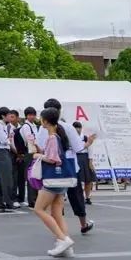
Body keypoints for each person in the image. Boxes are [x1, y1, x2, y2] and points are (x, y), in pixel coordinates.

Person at [39, 99, 94, 235]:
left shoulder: (43, 128)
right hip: (70, 167)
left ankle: (60, 231)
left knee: (55, 202)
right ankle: (83, 223)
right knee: (76, 197)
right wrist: (88, 143)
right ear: (59, 111)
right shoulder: (68, 127)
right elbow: (78, 147)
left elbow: (41, 147)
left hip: (53, 169)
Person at [33, 107, 76, 257]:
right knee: (57, 212)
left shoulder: (52, 137)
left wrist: (38, 155)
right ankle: (65, 244)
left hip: (53, 179)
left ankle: (63, 239)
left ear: (45, 121)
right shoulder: (58, 136)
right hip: (62, 180)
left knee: (38, 209)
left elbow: (52, 159)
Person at [0, 107, 16, 211]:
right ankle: (8, 201)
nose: (10, 117)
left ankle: (0, 202)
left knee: (0, 179)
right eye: (8, 115)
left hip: (3, 152)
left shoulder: (2, 125)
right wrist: (9, 138)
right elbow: (4, 140)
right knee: (6, 178)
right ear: (3, 116)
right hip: (2, 152)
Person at [72, 122, 97, 204]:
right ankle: (77, 197)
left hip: (85, 158)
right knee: (77, 180)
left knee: (88, 179)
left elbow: (90, 149)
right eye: (76, 128)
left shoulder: (85, 137)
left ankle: (87, 197)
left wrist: (90, 161)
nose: (78, 129)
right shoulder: (71, 138)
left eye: (79, 127)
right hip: (75, 157)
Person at [20, 107, 40, 207]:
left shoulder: (34, 126)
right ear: (26, 116)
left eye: (33, 114)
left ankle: (36, 198)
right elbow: (30, 140)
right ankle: (32, 200)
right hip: (30, 152)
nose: (32, 116)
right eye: (30, 115)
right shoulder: (26, 126)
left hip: (35, 152)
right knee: (31, 176)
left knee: (36, 175)